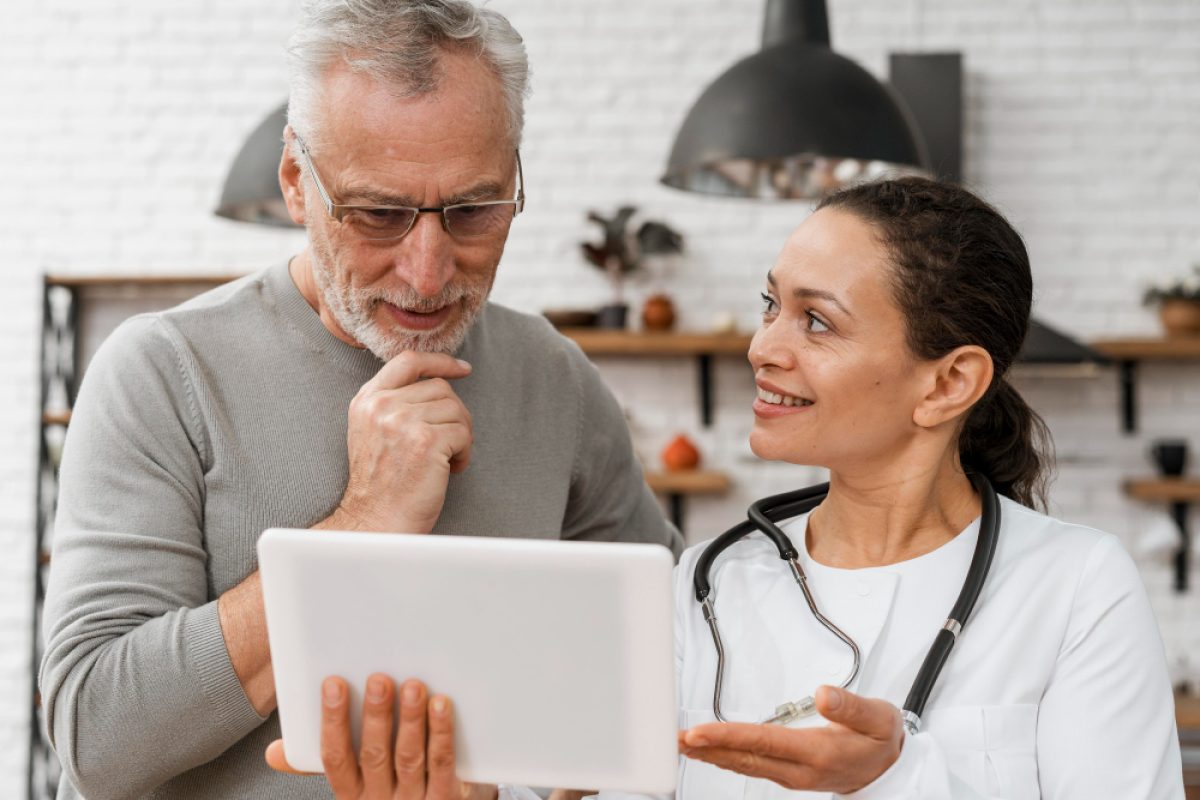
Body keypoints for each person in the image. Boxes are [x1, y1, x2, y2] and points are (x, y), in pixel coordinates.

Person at [287, 177, 1184, 799]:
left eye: (816, 322)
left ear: (947, 383)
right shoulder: (711, 581)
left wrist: (892, 777)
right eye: (770, 304)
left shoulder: (1073, 587)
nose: (763, 347)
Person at [38, 1, 681, 798]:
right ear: (295, 182)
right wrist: (362, 525)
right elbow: (96, 739)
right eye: (378, 214)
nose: (428, 271)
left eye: (474, 211)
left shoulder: (554, 377)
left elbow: (668, 654)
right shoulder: (162, 372)